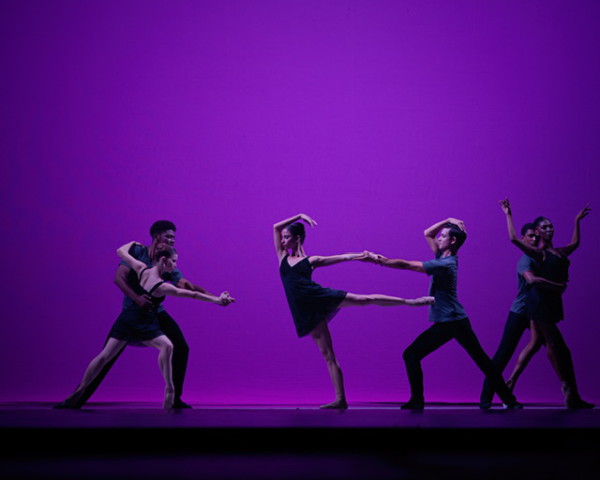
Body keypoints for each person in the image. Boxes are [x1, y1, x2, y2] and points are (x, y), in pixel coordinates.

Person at [54, 220, 234, 409]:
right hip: (132, 312)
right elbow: (119, 277)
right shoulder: (140, 255)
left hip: (154, 313)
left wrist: (215, 297)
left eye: (174, 237)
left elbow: (187, 287)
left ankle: (174, 398)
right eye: (168, 236)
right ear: (157, 237)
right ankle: (77, 397)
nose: (172, 240)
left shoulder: (168, 260)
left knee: (179, 346)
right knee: (107, 356)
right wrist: (137, 298)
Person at [274, 213, 434, 410]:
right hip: (304, 311)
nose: (282, 240)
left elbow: (341, 257)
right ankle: (340, 400)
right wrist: (299, 215)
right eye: (282, 238)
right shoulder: (282, 257)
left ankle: (411, 301)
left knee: (363, 299)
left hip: (317, 296)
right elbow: (275, 227)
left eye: (287, 237)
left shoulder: (311, 260)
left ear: (297, 238)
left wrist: (361, 256)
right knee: (328, 355)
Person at [360, 218, 522, 410]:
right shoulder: (441, 256)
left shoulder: (446, 264)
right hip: (454, 320)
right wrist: (448, 220)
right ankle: (509, 401)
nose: (438, 238)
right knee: (482, 361)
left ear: (453, 241)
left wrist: (380, 261)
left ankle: (418, 400)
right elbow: (427, 233)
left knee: (412, 354)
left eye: (443, 236)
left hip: (452, 321)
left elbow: (408, 265)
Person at [498, 198, 593, 409]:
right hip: (539, 303)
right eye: (544, 227)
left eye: (551, 226)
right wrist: (508, 214)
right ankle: (570, 394)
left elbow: (575, 243)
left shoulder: (559, 252)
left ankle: (510, 383)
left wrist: (577, 220)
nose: (549, 229)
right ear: (537, 232)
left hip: (553, 303)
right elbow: (513, 238)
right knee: (557, 347)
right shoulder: (538, 254)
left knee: (535, 345)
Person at [479, 223, 541, 409]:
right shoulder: (525, 260)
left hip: (537, 313)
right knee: (503, 354)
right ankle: (486, 397)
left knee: (557, 350)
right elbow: (531, 280)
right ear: (523, 238)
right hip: (520, 312)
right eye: (530, 236)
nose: (534, 239)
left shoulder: (541, 258)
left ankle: (572, 394)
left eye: (536, 236)